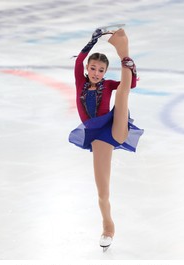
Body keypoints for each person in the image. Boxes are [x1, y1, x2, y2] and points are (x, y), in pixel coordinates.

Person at [69, 27, 144, 250]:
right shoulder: (80, 82)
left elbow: (130, 85)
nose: (96, 72)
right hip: (97, 137)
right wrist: (93, 41)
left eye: (101, 70)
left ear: (104, 72)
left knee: (122, 93)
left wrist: (129, 66)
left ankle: (124, 52)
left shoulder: (108, 84)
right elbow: (78, 60)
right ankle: (108, 227)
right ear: (87, 68)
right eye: (93, 68)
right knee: (103, 191)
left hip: (114, 127)